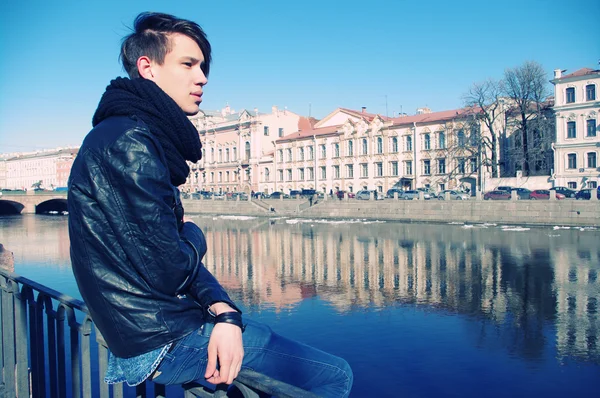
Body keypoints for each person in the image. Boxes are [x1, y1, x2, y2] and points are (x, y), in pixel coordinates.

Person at [67, 12, 352, 397]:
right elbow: (170, 269)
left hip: (151, 329)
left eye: (203, 66)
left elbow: (168, 257)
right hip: (159, 342)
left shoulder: (135, 135)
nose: (202, 78)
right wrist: (196, 234)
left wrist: (226, 310)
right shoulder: (131, 143)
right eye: (188, 64)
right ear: (147, 68)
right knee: (335, 375)